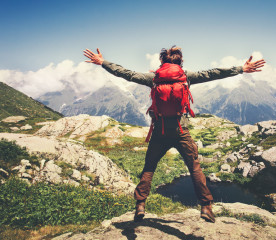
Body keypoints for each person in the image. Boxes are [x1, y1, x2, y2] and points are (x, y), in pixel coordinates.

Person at [84, 46, 265, 223]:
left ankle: (140, 204)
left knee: (149, 166)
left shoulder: (154, 79)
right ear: (180, 62)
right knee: (194, 167)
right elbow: (213, 73)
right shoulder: (186, 78)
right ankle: (206, 207)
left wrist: (103, 62)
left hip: (159, 131)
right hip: (181, 131)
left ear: (162, 62)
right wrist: (241, 69)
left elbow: (126, 73)